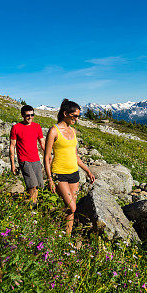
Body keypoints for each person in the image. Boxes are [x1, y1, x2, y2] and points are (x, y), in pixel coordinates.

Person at [44, 99, 95, 236]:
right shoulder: (53, 131)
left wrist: (88, 170)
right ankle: (53, 223)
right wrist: (49, 179)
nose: (77, 119)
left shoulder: (73, 131)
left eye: (78, 116)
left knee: (71, 209)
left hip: (74, 173)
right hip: (59, 173)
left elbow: (75, 155)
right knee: (72, 207)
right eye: (75, 116)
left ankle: (66, 237)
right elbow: (47, 156)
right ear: (66, 113)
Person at [10, 104, 46, 204]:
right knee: (32, 184)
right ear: (22, 115)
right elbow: (12, 146)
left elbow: (42, 143)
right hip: (24, 159)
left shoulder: (37, 126)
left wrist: (48, 156)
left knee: (38, 184)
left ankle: (33, 202)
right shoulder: (16, 128)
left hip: (36, 159)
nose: (30, 117)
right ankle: (32, 205)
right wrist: (12, 164)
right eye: (27, 115)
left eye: (32, 115)